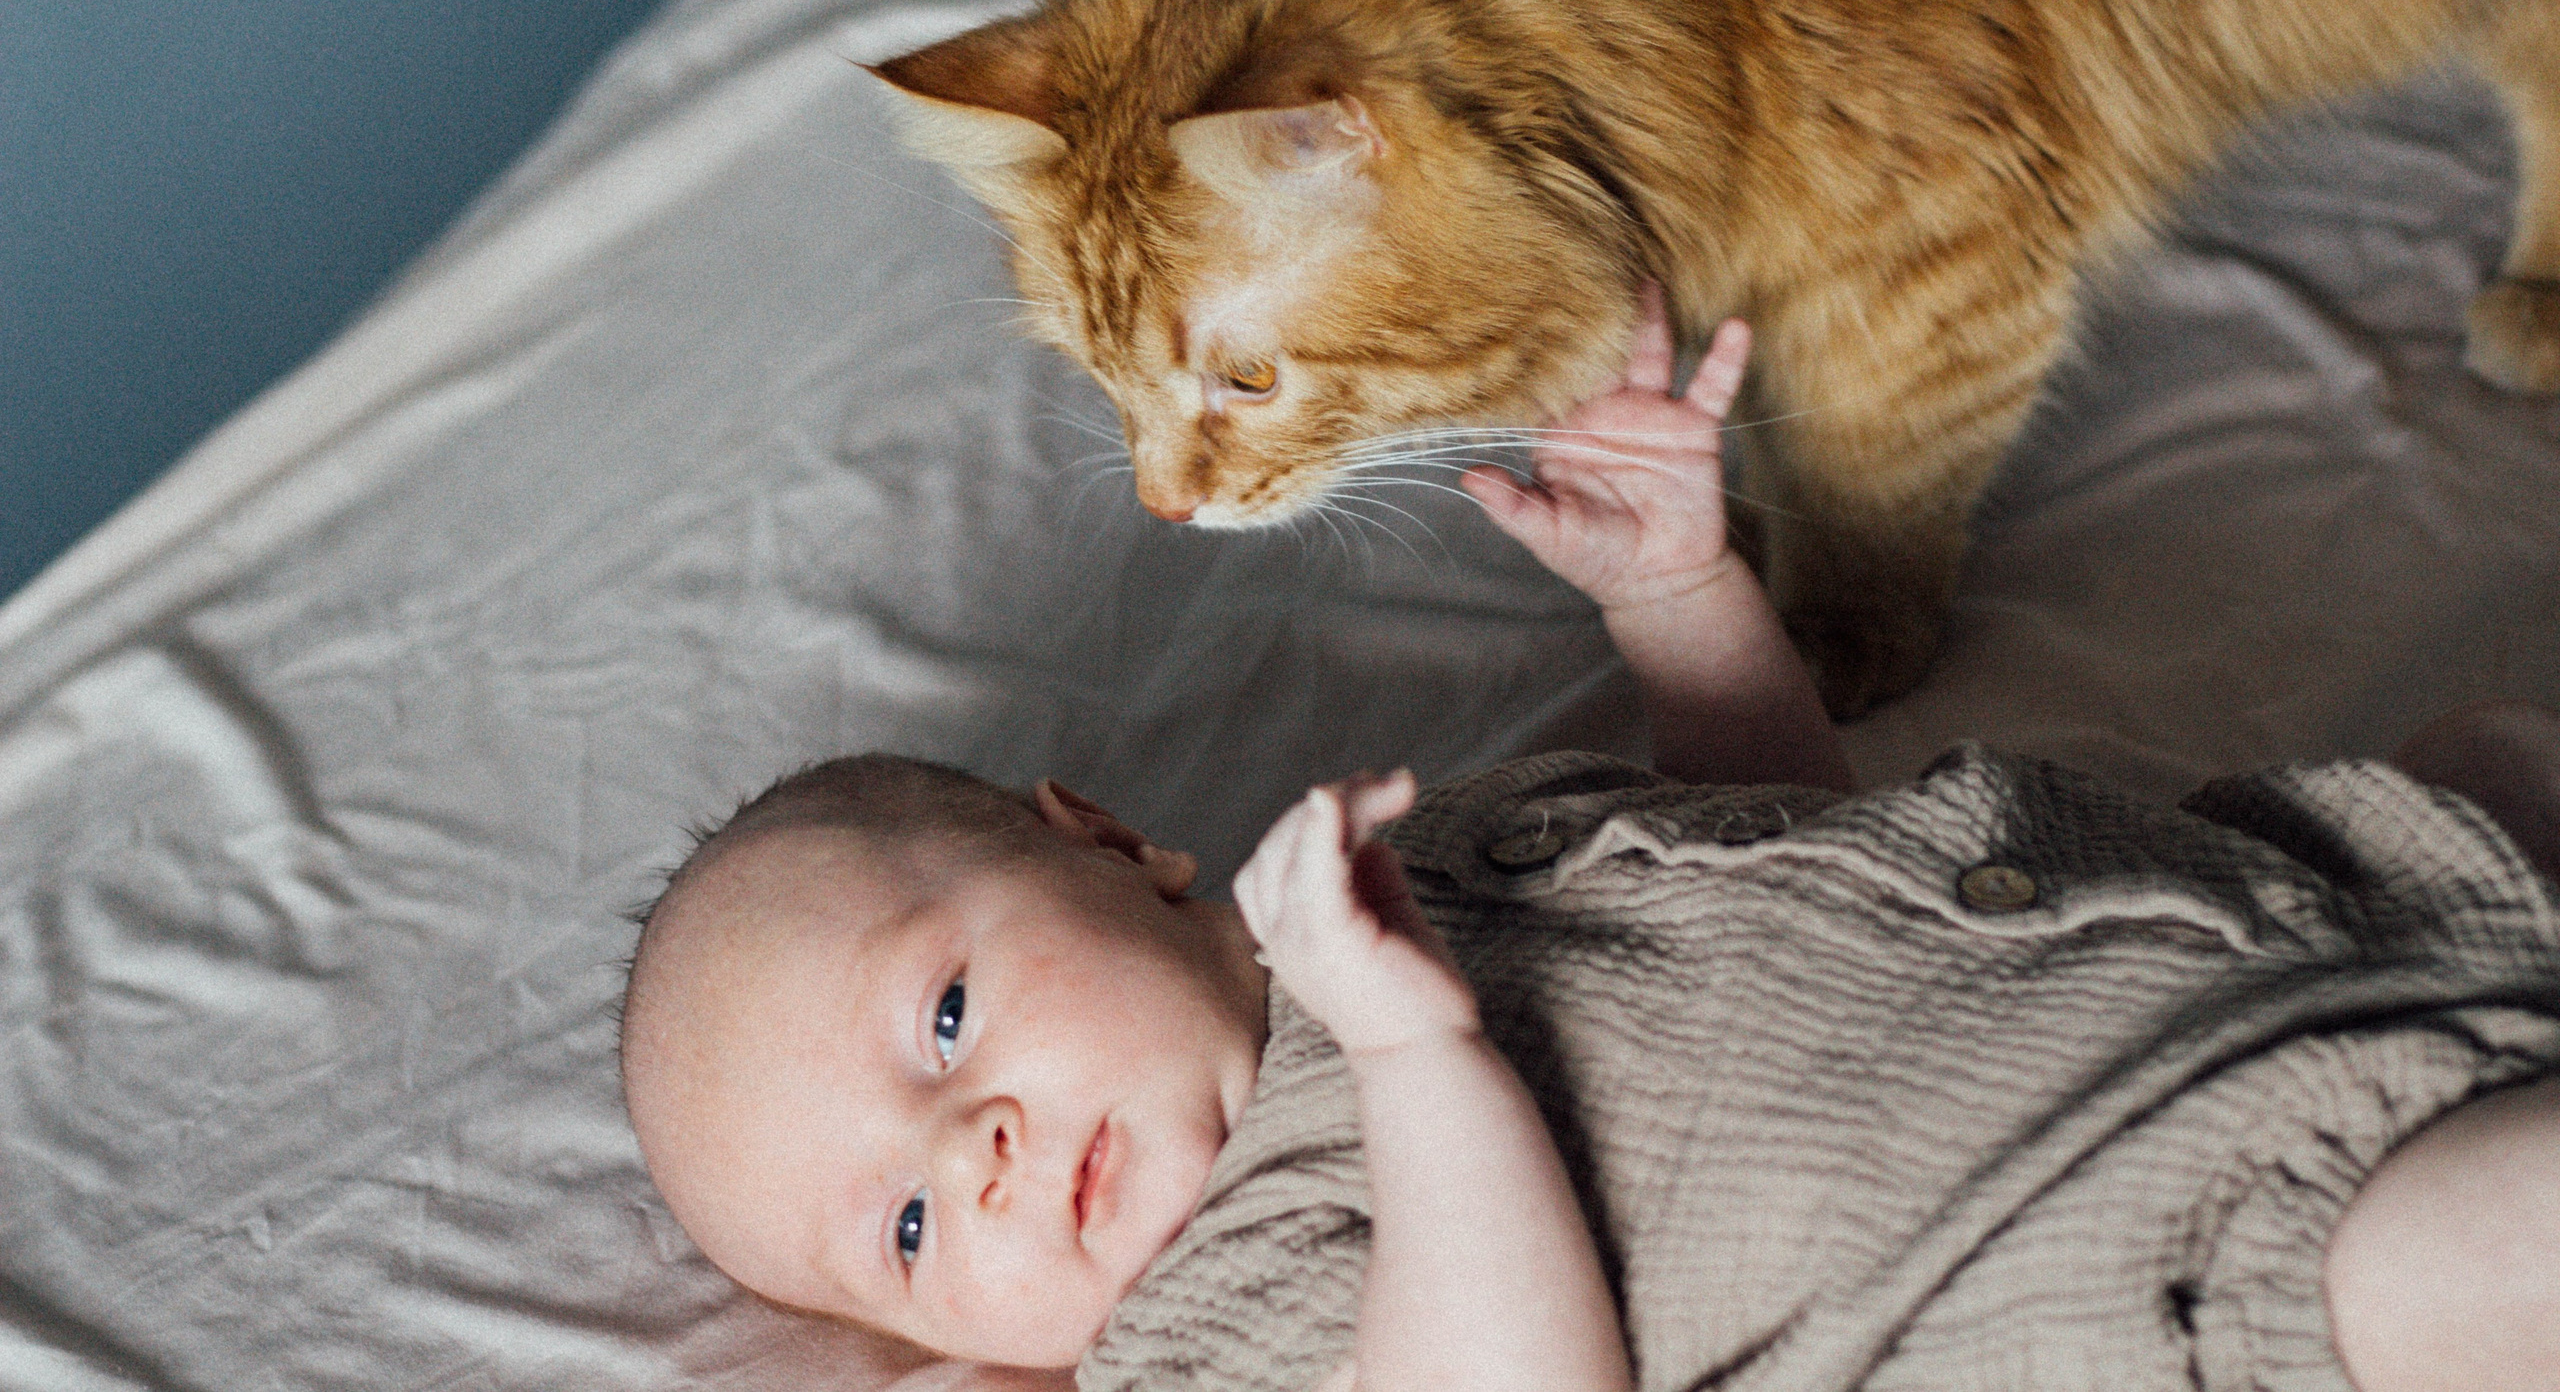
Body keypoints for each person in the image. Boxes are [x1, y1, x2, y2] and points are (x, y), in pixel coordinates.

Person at [618, 291, 2560, 1392]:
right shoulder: (1215, 1329)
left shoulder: (1422, 850)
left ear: (1110, 839)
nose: (975, 1157)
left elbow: (1787, 848)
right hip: (2148, 1253)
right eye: (898, 1229)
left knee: (2488, 761)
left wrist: (1682, 605)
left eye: (944, 1017)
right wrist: (1407, 1055)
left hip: (2236, 933)